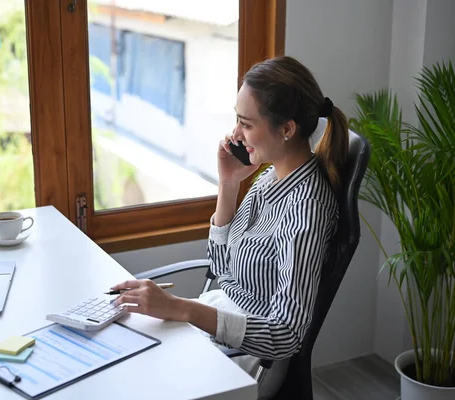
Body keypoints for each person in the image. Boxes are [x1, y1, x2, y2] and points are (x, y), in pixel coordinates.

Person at [112, 56, 349, 398]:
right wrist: (228, 186)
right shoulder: (269, 178)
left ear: (286, 129)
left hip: (246, 356)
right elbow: (223, 268)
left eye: (246, 124)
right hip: (215, 318)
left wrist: (182, 308)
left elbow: (285, 335)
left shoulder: (306, 209)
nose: (235, 134)